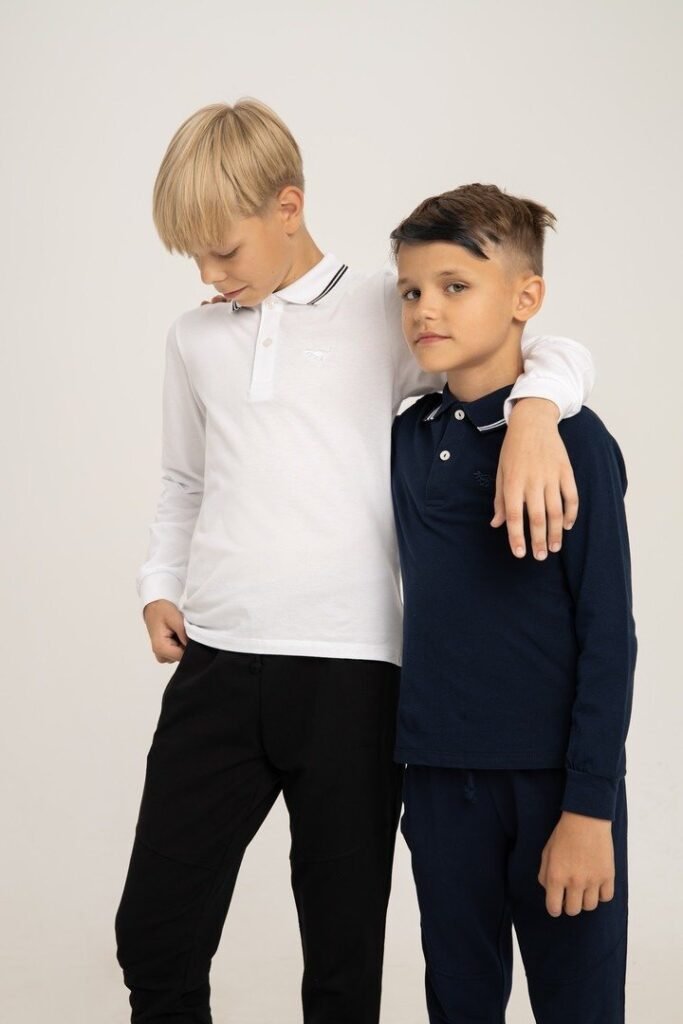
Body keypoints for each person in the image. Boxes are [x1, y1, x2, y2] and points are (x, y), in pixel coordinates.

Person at [114, 100, 595, 1024]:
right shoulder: (195, 338)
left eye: (224, 251)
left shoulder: (387, 306)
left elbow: (541, 345)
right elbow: (184, 480)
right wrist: (158, 584)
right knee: (155, 932)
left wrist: (536, 411)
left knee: (341, 950)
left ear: (287, 208)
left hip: (352, 676)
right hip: (218, 661)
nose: (210, 276)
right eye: (194, 259)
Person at [390, 182, 636, 1024]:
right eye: (410, 291)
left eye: (455, 286)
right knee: (457, 1003)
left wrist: (589, 808)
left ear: (524, 297)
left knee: (579, 1006)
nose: (426, 308)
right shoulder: (407, 438)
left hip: (554, 786)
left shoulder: (573, 441)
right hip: (436, 782)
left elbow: (608, 635)